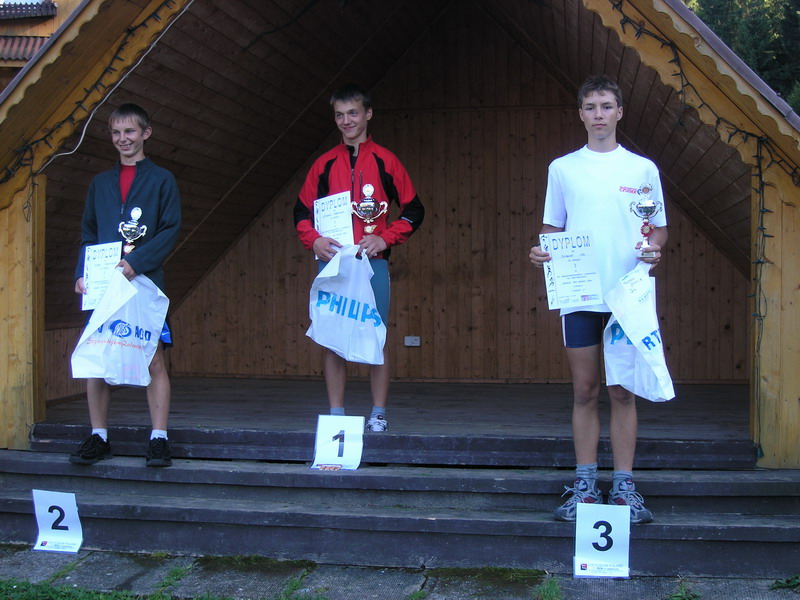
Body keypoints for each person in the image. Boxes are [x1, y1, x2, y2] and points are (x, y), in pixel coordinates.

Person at [529, 75, 668, 524]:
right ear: (581, 114)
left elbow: (657, 229)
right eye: (590, 107)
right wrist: (542, 251)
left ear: (620, 112)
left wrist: (654, 248)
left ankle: (624, 487)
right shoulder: (563, 168)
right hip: (580, 295)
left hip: (627, 296)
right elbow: (552, 227)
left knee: (622, 392)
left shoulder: (643, 169)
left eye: (606, 106)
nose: (599, 114)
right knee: (585, 390)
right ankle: (585, 486)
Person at [294, 83, 424, 432]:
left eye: (353, 113)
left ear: (368, 114)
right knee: (333, 337)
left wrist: (384, 238)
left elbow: (414, 210)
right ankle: (336, 417)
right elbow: (301, 213)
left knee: (375, 335)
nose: (346, 121)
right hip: (333, 262)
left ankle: (378, 414)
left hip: (372, 264)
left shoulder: (385, 161)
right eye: (340, 115)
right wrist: (314, 240)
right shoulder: (323, 164)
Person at [71, 103, 182, 467]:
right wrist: (82, 273)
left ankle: (159, 438)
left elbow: (170, 230)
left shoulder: (162, 179)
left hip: (146, 282)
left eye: (130, 131)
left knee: (153, 358)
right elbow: (88, 233)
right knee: (99, 357)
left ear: (146, 133)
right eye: (116, 133)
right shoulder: (100, 183)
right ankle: (99, 436)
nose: (123, 139)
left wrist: (137, 263)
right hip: (105, 285)